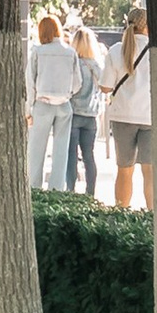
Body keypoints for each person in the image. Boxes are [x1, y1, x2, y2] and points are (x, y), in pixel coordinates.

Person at [104, 7, 153, 210]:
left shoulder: (116, 50)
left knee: (124, 170)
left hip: (122, 116)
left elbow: (105, 86)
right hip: (150, 116)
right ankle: (153, 216)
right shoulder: (156, 50)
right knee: (150, 171)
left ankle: (122, 214)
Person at [24, 13, 78, 189]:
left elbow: (30, 82)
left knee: (36, 151)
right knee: (61, 150)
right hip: (64, 103)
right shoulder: (70, 52)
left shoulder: (38, 51)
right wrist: (68, 92)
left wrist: (28, 110)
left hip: (43, 103)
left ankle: (34, 188)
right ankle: (57, 189)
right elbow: (78, 82)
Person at [64, 24, 101, 197]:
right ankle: (90, 193)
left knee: (71, 156)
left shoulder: (73, 64)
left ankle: (70, 191)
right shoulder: (96, 65)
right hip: (91, 116)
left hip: (74, 113)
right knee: (89, 156)